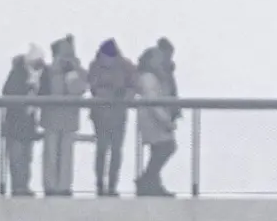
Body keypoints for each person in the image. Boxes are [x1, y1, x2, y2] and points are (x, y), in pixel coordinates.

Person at [37, 36, 88, 197]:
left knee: (65, 153)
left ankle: (63, 186)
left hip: (67, 118)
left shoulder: (77, 71)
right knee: (51, 153)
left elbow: (78, 90)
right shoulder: (49, 71)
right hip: (53, 117)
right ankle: (51, 186)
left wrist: (71, 74)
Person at [87, 38, 138, 197]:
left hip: (118, 114)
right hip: (100, 115)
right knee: (102, 149)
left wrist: (124, 96)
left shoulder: (126, 67)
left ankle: (111, 185)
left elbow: (133, 87)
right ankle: (100, 184)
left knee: (115, 151)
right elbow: (93, 87)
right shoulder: (95, 66)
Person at [135, 47, 178, 197]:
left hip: (152, 117)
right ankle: (147, 180)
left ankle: (153, 183)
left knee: (158, 150)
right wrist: (165, 120)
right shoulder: (148, 77)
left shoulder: (154, 76)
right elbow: (153, 101)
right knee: (167, 147)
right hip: (153, 119)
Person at [1, 54, 41, 197]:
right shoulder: (21, 77)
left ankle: (21, 186)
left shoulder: (21, 77)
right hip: (20, 124)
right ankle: (20, 187)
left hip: (19, 124)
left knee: (22, 158)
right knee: (20, 158)